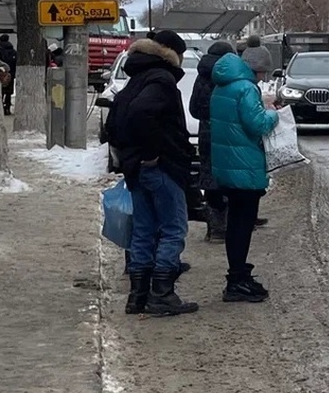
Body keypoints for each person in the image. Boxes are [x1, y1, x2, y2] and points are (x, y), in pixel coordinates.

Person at [106, 30, 198, 316]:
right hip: (161, 167)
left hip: (137, 169)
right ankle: (162, 293)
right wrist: (151, 153)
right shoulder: (161, 79)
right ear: (171, 53)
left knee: (143, 232)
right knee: (173, 229)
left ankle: (138, 295)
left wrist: (130, 155)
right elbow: (141, 114)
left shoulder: (136, 79)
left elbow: (114, 122)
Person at [209, 50, 280, 302]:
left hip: (227, 166)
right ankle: (237, 280)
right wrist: (274, 113)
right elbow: (258, 124)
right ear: (256, 69)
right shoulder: (246, 89)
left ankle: (237, 275)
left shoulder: (221, 87)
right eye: (263, 72)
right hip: (245, 167)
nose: (263, 78)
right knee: (243, 224)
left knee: (235, 223)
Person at [189, 40, 236, 242]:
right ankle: (227, 225)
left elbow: (194, 109)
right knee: (229, 177)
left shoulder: (201, 76)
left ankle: (214, 228)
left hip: (206, 132)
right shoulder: (230, 76)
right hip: (228, 132)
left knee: (209, 175)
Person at [0, 34, 16, 115]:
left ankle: (0, 107)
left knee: (0, 92)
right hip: (10, 74)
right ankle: (7, 108)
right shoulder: (13, 51)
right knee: (8, 92)